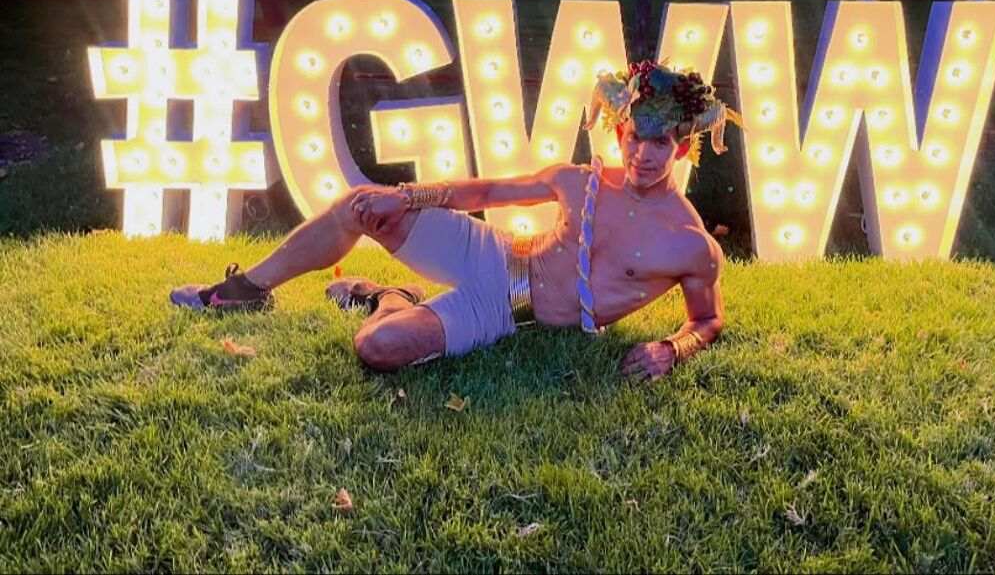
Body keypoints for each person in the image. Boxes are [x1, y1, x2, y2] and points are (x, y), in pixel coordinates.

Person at [171, 61, 743, 381]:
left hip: (505, 310)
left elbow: (709, 319)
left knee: (377, 347)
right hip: (495, 251)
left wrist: (673, 348)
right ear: (619, 134)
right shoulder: (580, 180)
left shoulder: (691, 244)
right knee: (361, 204)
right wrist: (406, 196)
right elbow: (490, 189)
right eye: (635, 138)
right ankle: (245, 290)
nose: (644, 154)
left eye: (660, 143)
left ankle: (388, 296)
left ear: (683, 148)